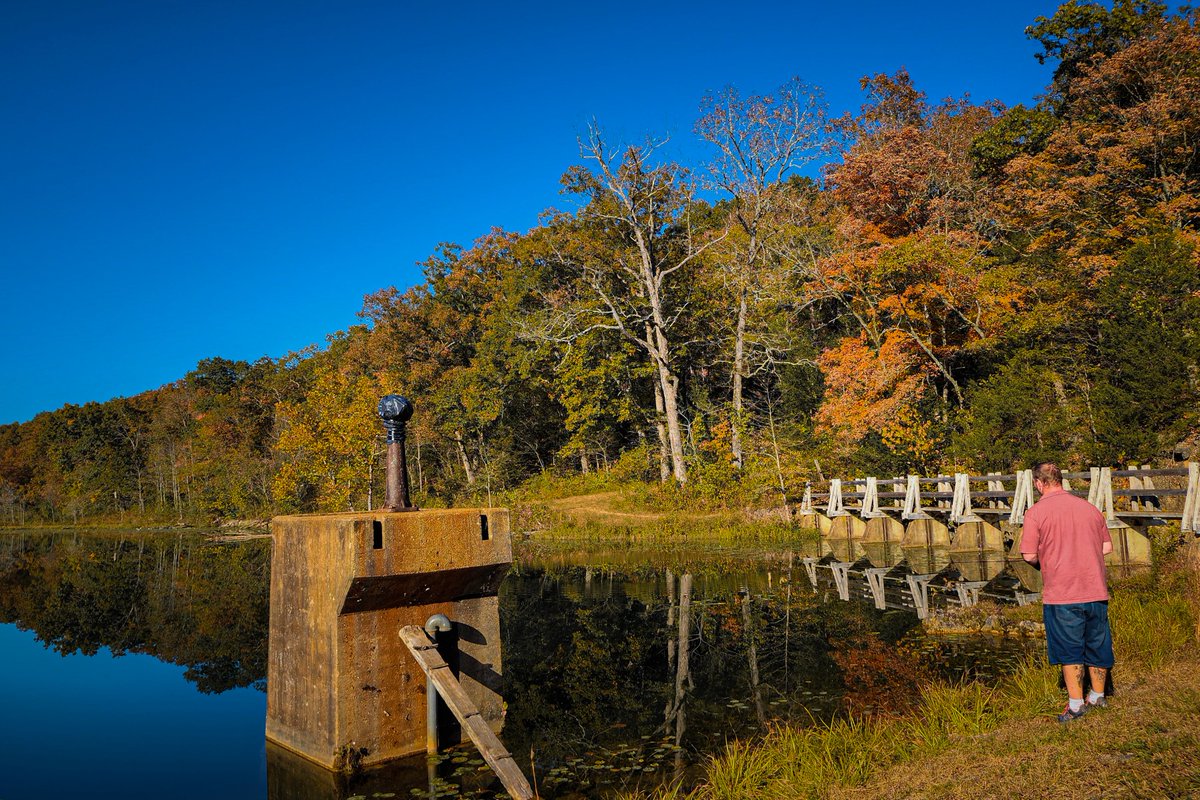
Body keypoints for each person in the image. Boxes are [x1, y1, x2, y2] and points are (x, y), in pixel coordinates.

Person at [1020, 461, 1114, 723]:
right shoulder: (1090, 509)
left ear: (1039, 483)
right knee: (1097, 644)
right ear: (1060, 480)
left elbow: (1028, 554)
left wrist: (1046, 561)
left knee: (1070, 650)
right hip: (1095, 590)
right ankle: (1097, 696)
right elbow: (1106, 548)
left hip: (1062, 593)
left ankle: (1075, 706)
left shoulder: (1036, 513)